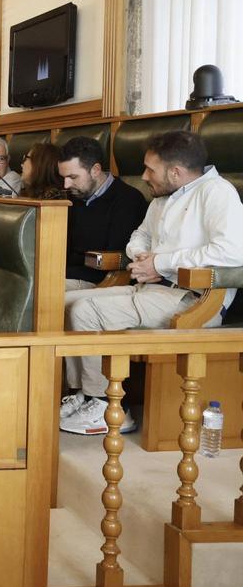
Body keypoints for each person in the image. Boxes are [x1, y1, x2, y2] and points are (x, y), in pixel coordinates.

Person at [62, 131, 243, 434]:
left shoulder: (217, 193)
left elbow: (231, 251)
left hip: (194, 297)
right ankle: (83, 395)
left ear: (176, 172)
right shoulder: (163, 197)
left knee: (86, 309)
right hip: (154, 287)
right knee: (62, 304)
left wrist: (161, 262)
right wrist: (144, 257)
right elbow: (139, 236)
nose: (144, 176)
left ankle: (106, 404)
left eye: (150, 169)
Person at [57, 136, 148, 290]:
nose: (66, 185)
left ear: (95, 170)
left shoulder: (128, 200)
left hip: (95, 280)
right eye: (63, 177)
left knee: (35, 293)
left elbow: (111, 262)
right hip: (63, 273)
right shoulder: (74, 196)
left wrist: (58, 272)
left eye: (72, 177)